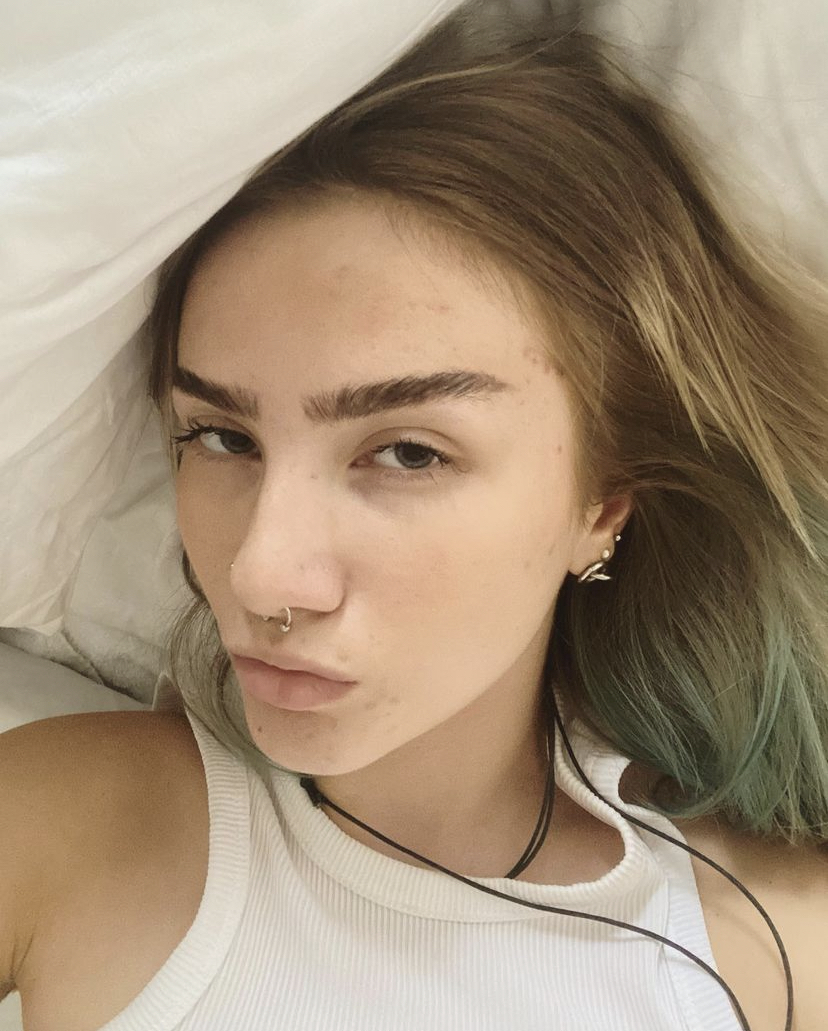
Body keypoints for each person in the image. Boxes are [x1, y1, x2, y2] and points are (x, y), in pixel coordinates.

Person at [2, 3, 827, 1030]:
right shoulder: (72, 819)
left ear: (603, 503)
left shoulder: (777, 941)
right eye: (221, 436)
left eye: (407, 452)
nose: (260, 573)